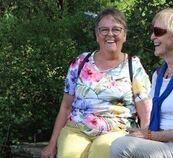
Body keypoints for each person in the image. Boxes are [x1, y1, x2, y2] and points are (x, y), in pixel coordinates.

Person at [41, 8, 151, 158]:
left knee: (100, 151)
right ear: (97, 35)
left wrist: (146, 138)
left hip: (118, 131)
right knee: (69, 154)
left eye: (116, 30)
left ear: (124, 35)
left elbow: (145, 110)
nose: (110, 34)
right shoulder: (80, 62)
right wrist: (52, 143)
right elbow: (66, 107)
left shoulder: (134, 66)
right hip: (77, 128)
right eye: (104, 30)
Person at [111, 8, 173, 158]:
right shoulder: (158, 75)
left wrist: (151, 136)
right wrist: (146, 134)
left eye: (158, 31)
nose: (152, 37)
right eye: (152, 31)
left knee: (121, 147)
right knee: (122, 140)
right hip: (162, 144)